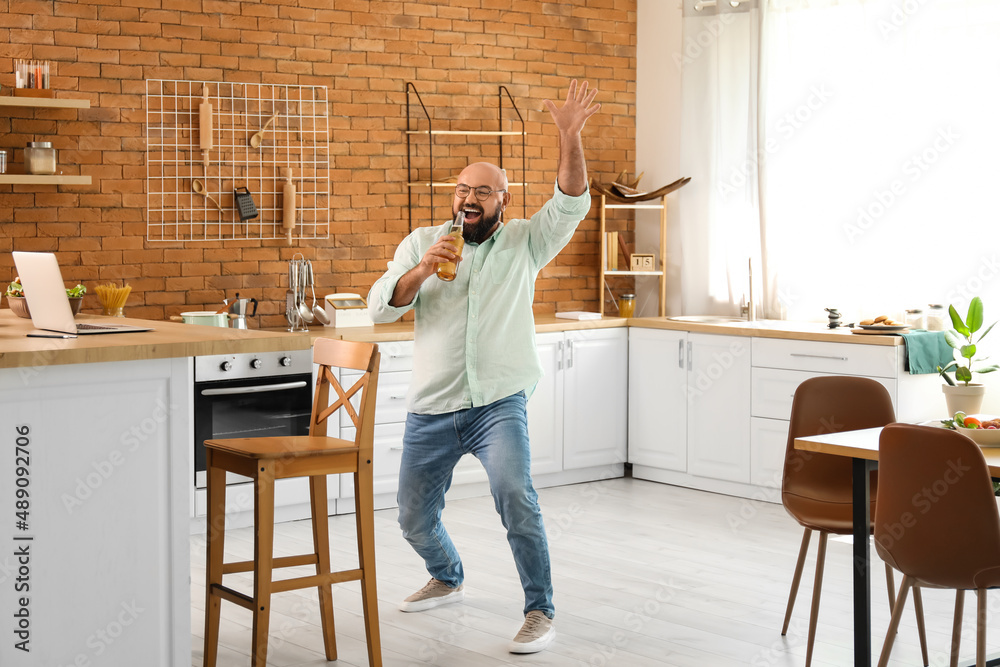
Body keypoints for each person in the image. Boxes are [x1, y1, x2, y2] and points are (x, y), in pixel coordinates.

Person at [367, 79, 600, 654]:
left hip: (498, 402)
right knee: (412, 515)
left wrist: (569, 135)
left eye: (484, 192)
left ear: (504, 201)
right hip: (434, 404)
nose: (470, 199)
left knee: (515, 496)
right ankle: (447, 574)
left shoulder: (527, 242)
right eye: (463, 190)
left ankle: (540, 610)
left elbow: (572, 202)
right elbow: (380, 307)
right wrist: (421, 271)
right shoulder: (425, 240)